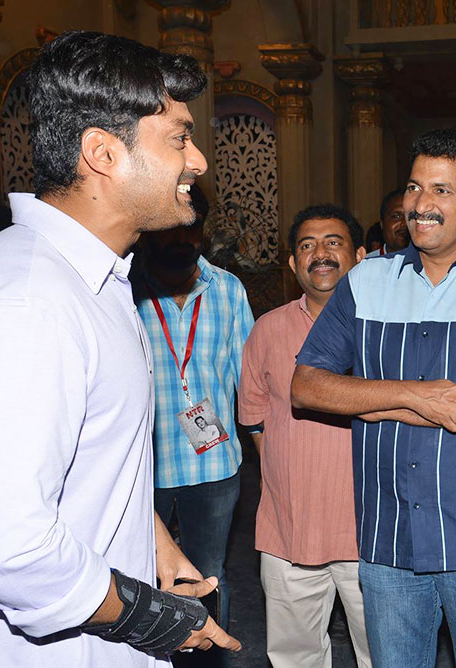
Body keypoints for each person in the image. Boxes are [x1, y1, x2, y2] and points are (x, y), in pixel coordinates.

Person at [0, 31, 240, 666]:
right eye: (179, 139)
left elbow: (89, 458)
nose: (198, 161)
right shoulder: (25, 305)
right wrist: (151, 618)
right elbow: (8, 552)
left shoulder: (93, 279)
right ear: (102, 153)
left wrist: (154, 543)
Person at [291, 128, 456, 668]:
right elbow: (307, 386)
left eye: (441, 190)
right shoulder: (367, 280)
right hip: (389, 539)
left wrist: (368, 401)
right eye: (414, 187)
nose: (420, 204)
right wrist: (419, 396)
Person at [239, 203, 372, 668]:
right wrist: (283, 474)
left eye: (334, 243)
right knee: (295, 658)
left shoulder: (387, 330)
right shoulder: (268, 329)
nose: (321, 254)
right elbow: (254, 415)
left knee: (387, 653)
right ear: (294, 263)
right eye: (308, 246)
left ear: (360, 256)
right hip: (289, 530)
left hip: (373, 532)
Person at [132, 179, 254, 662]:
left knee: (209, 575)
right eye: (171, 227)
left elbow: (249, 380)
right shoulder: (124, 290)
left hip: (215, 466)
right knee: (140, 579)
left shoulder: (228, 289)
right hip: (143, 472)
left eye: (192, 228)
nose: (182, 238)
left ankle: (209, 659)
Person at [375, 188, 409, 255]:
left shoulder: (428, 261)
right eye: (396, 216)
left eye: (410, 216)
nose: (404, 223)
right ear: (382, 223)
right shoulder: (367, 261)